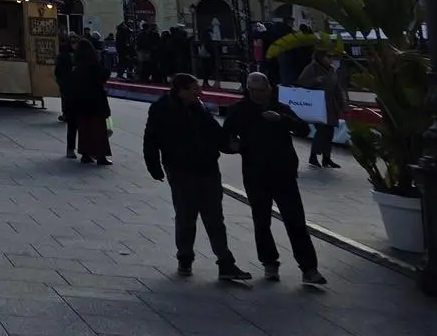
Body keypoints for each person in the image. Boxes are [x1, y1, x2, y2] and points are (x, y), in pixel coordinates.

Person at [143, 73, 251, 282]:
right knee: (186, 216)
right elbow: (151, 139)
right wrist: (154, 166)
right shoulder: (162, 109)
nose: (198, 92)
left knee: (215, 218)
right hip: (180, 169)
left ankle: (225, 262)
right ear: (181, 90)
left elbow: (214, 132)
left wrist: (230, 145)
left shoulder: (199, 108)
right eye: (193, 89)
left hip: (207, 167)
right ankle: (185, 257)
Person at [223, 73, 327, 285]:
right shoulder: (238, 110)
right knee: (261, 221)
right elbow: (226, 137)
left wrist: (281, 120)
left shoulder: (280, 108)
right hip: (255, 173)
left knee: (295, 220)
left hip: (283, 172)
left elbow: (304, 129)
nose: (256, 94)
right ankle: (269, 262)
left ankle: (309, 268)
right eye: (252, 90)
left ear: (269, 89)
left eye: (260, 90)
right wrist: (233, 146)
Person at [296, 49, 347, 169]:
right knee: (322, 131)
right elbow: (301, 83)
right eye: (328, 56)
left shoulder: (332, 70)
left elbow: (337, 88)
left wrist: (343, 104)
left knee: (329, 132)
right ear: (320, 57)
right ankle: (313, 156)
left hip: (330, 105)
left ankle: (326, 158)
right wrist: (315, 81)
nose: (331, 59)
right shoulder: (311, 68)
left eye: (332, 57)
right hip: (317, 105)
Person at [67, 39, 113, 165]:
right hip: (96, 102)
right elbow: (104, 75)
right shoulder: (94, 67)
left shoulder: (77, 69)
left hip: (81, 103)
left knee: (84, 128)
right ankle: (100, 155)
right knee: (98, 129)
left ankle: (85, 154)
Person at [55, 33, 80, 159]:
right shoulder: (64, 56)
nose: (74, 44)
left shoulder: (80, 56)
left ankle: (85, 150)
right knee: (72, 124)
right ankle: (70, 148)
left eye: (76, 41)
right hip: (69, 90)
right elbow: (58, 71)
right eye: (73, 41)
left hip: (80, 93)